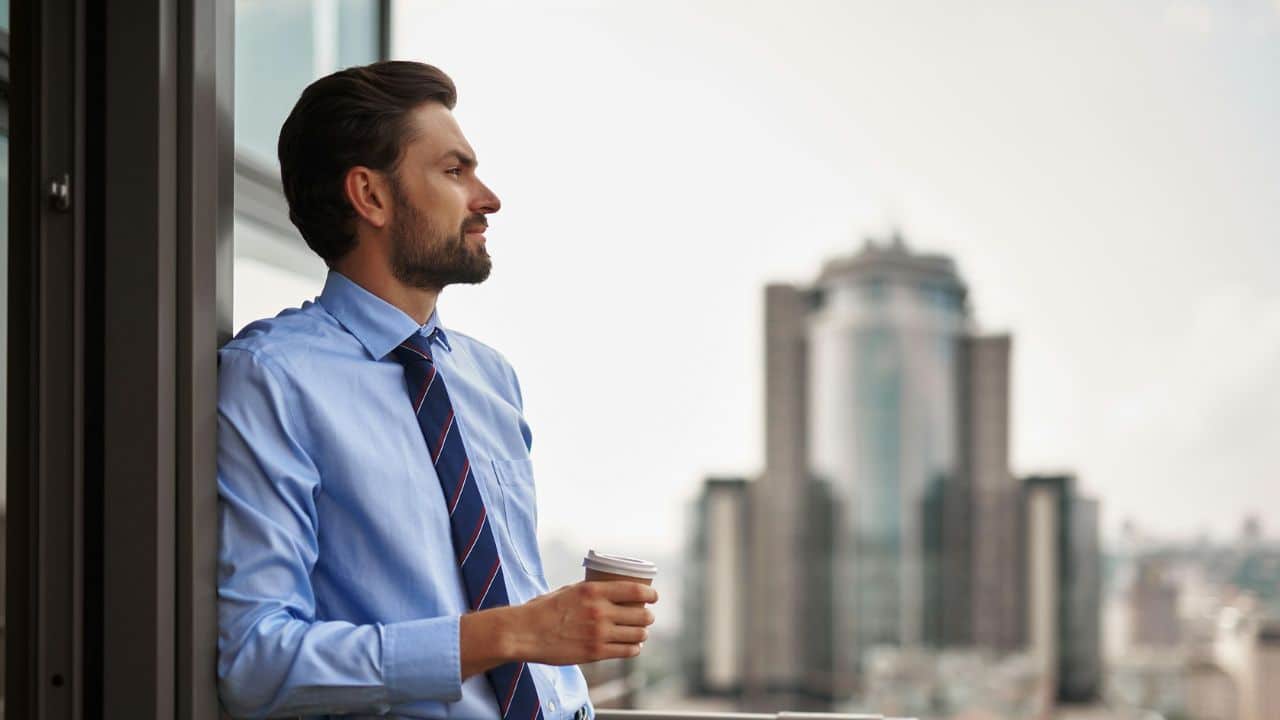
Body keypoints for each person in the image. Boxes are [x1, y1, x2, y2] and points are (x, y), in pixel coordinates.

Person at [216, 61, 657, 719]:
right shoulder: (272, 379)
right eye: (454, 172)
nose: (488, 198)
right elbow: (256, 662)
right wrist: (515, 632)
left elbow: (506, 586)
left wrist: (560, 632)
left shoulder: (489, 379)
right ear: (371, 196)